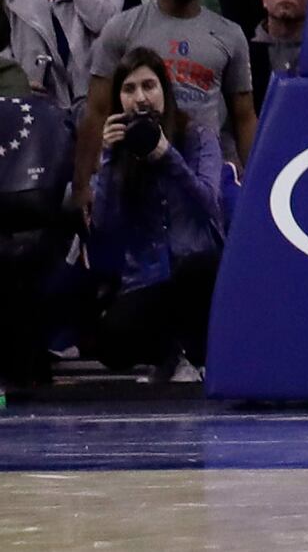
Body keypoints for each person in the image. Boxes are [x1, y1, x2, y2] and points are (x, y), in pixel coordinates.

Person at [86, 46, 227, 379]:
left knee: (198, 270)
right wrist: (108, 160)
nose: (141, 98)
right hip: (147, 283)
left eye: (149, 86)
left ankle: (194, 358)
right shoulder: (115, 151)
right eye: (129, 89)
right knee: (107, 342)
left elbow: (209, 203)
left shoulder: (198, 138)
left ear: (165, 91)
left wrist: (167, 156)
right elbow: (103, 229)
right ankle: (173, 357)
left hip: (196, 272)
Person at [83, 0, 260, 181]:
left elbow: (244, 117)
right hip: (136, 161)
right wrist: (87, 179)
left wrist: (259, 182)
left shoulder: (230, 35)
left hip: (202, 164)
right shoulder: (121, 27)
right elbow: (97, 109)